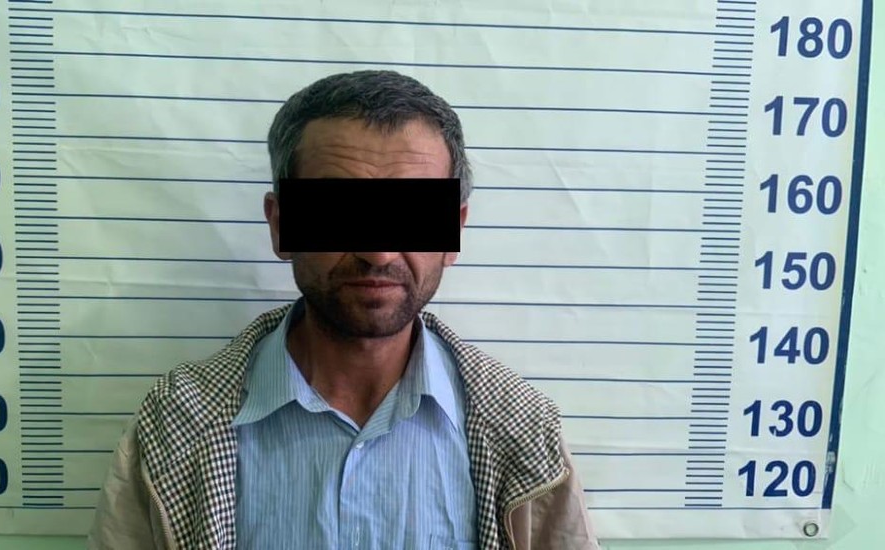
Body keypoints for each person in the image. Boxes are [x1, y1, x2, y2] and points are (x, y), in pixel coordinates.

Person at [87, 69, 599, 550]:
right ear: (281, 225)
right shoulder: (176, 423)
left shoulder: (522, 430)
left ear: (453, 231)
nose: (378, 252)